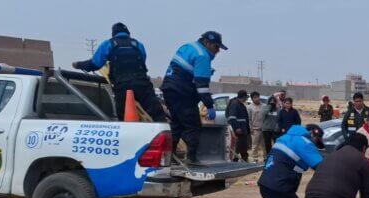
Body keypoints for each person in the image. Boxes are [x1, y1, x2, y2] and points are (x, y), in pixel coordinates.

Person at [72, 22, 167, 122]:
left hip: (122, 86)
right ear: (128, 33)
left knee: (124, 117)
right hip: (142, 85)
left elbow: (95, 64)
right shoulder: (138, 44)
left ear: (113, 33)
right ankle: (166, 132)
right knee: (157, 113)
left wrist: (78, 65)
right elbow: (142, 61)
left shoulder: (108, 44)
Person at [161, 31, 227, 165]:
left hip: (169, 90)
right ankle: (192, 159)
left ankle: (170, 156)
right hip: (182, 93)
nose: (218, 51)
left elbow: (184, 69)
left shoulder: (188, 47)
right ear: (207, 43)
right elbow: (201, 86)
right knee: (193, 126)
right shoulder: (203, 56)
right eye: (216, 47)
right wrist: (209, 105)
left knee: (177, 124)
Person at [226, 90, 251, 162]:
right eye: (246, 97)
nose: (246, 99)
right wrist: (236, 128)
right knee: (238, 146)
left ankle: (244, 159)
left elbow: (245, 119)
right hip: (238, 130)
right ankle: (234, 160)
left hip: (243, 130)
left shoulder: (241, 105)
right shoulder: (235, 104)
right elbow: (231, 118)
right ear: (243, 97)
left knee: (243, 146)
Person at [247, 92, 266, 162]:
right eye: (254, 97)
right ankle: (255, 158)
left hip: (263, 129)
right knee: (255, 145)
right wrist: (250, 128)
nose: (256, 99)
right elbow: (248, 119)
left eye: (257, 97)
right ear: (252, 99)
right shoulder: (249, 107)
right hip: (255, 130)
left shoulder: (264, 106)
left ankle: (265, 157)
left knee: (264, 145)